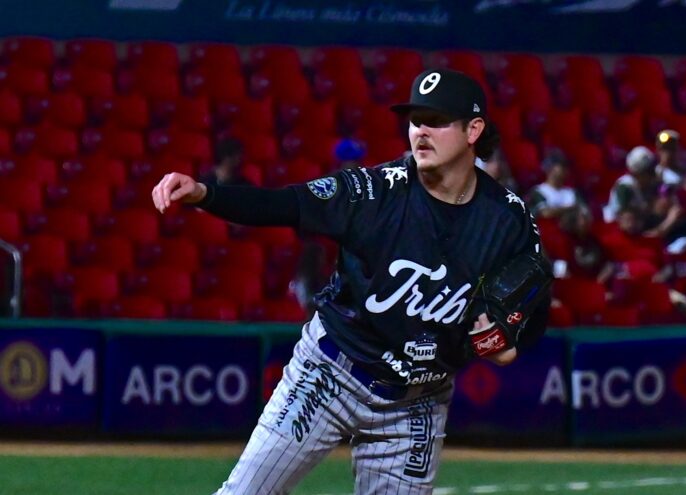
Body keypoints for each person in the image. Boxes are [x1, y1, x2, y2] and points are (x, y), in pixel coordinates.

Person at [152, 69, 550, 495]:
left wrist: (510, 342)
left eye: (436, 120)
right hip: (330, 373)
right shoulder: (375, 192)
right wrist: (206, 194)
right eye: (415, 119)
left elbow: (534, 296)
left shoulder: (507, 219)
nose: (421, 131)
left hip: (417, 402)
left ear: (473, 130)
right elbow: (285, 204)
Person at [527, 149, 586, 219]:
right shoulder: (538, 191)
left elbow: (585, 214)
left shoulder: (572, 193)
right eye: (562, 166)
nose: (566, 171)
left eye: (566, 167)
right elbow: (545, 213)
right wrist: (571, 208)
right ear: (550, 168)